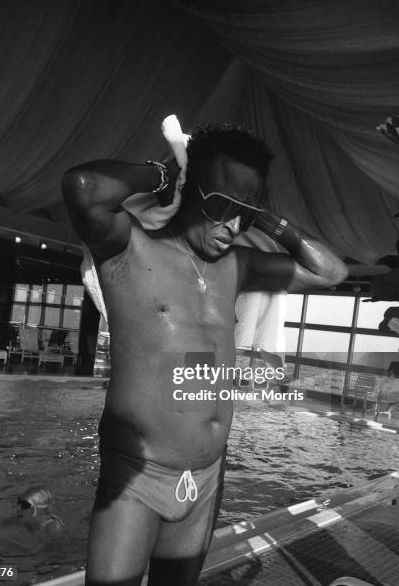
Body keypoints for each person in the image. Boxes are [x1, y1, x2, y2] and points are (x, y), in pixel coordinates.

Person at [62, 122, 348, 586]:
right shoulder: (128, 247)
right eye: (222, 207)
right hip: (137, 476)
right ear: (190, 191)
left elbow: (330, 271)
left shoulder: (237, 266)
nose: (233, 227)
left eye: (246, 216)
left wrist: (268, 219)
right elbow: (83, 186)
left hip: (207, 475)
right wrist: (165, 174)